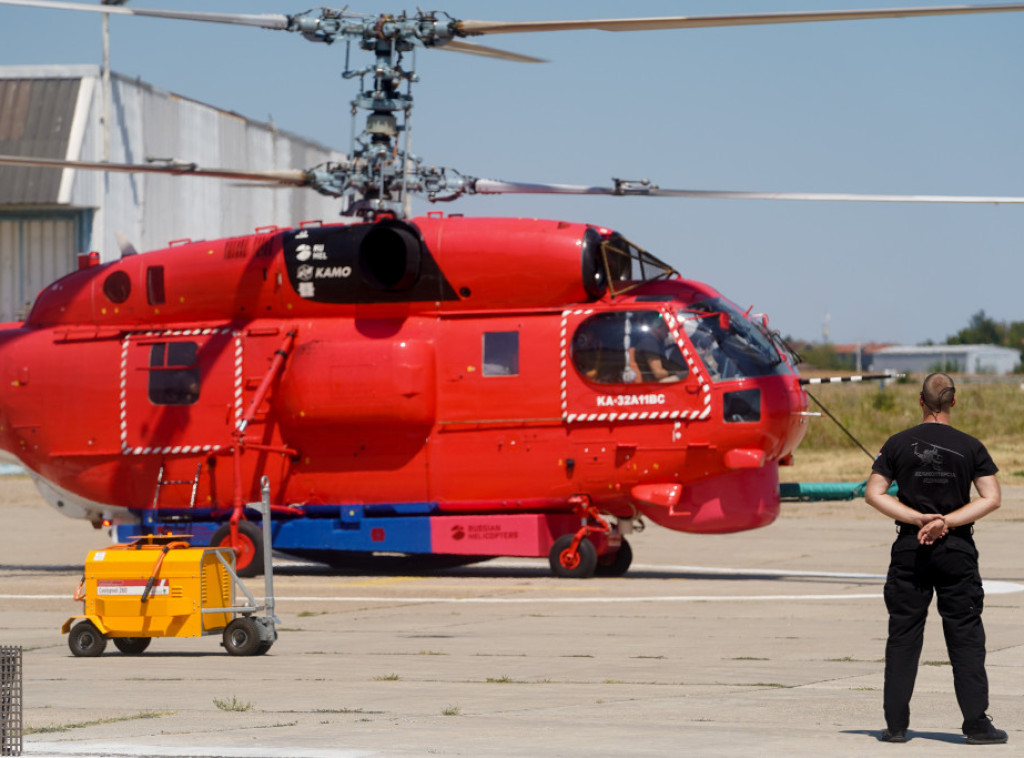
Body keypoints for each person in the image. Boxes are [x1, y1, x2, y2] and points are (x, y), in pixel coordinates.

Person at [865, 372, 1007, 745]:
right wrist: (947, 522)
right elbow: (991, 497)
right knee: (965, 634)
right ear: (953, 402)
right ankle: (976, 725)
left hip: (911, 548)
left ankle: (896, 726)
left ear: (920, 400)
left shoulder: (897, 444)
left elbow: (873, 493)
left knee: (903, 634)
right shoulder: (971, 446)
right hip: (956, 549)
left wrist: (917, 519)